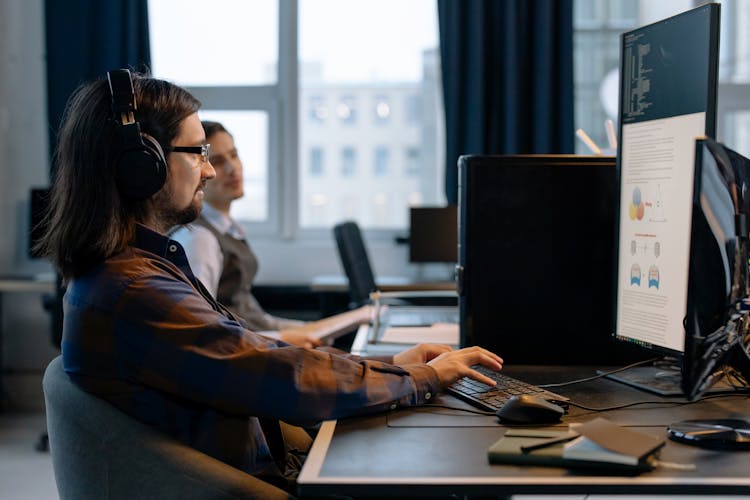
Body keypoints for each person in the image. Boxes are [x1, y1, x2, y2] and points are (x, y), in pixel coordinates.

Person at [37, 69, 503, 490]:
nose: (211, 170)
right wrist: (420, 378)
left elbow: (250, 350)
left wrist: (394, 368)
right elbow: (278, 377)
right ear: (142, 166)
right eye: (198, 152)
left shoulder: (135, 270)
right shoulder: (133, 290)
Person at [171, 120, 370, 348]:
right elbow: (202, 332)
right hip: (249, 355)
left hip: (259, 340)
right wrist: (288, 337)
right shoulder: (200, 238)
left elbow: (258, 319)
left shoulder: (227, 229)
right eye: (217, 160)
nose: (231, 168)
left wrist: (308, 328)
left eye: (234, 155)